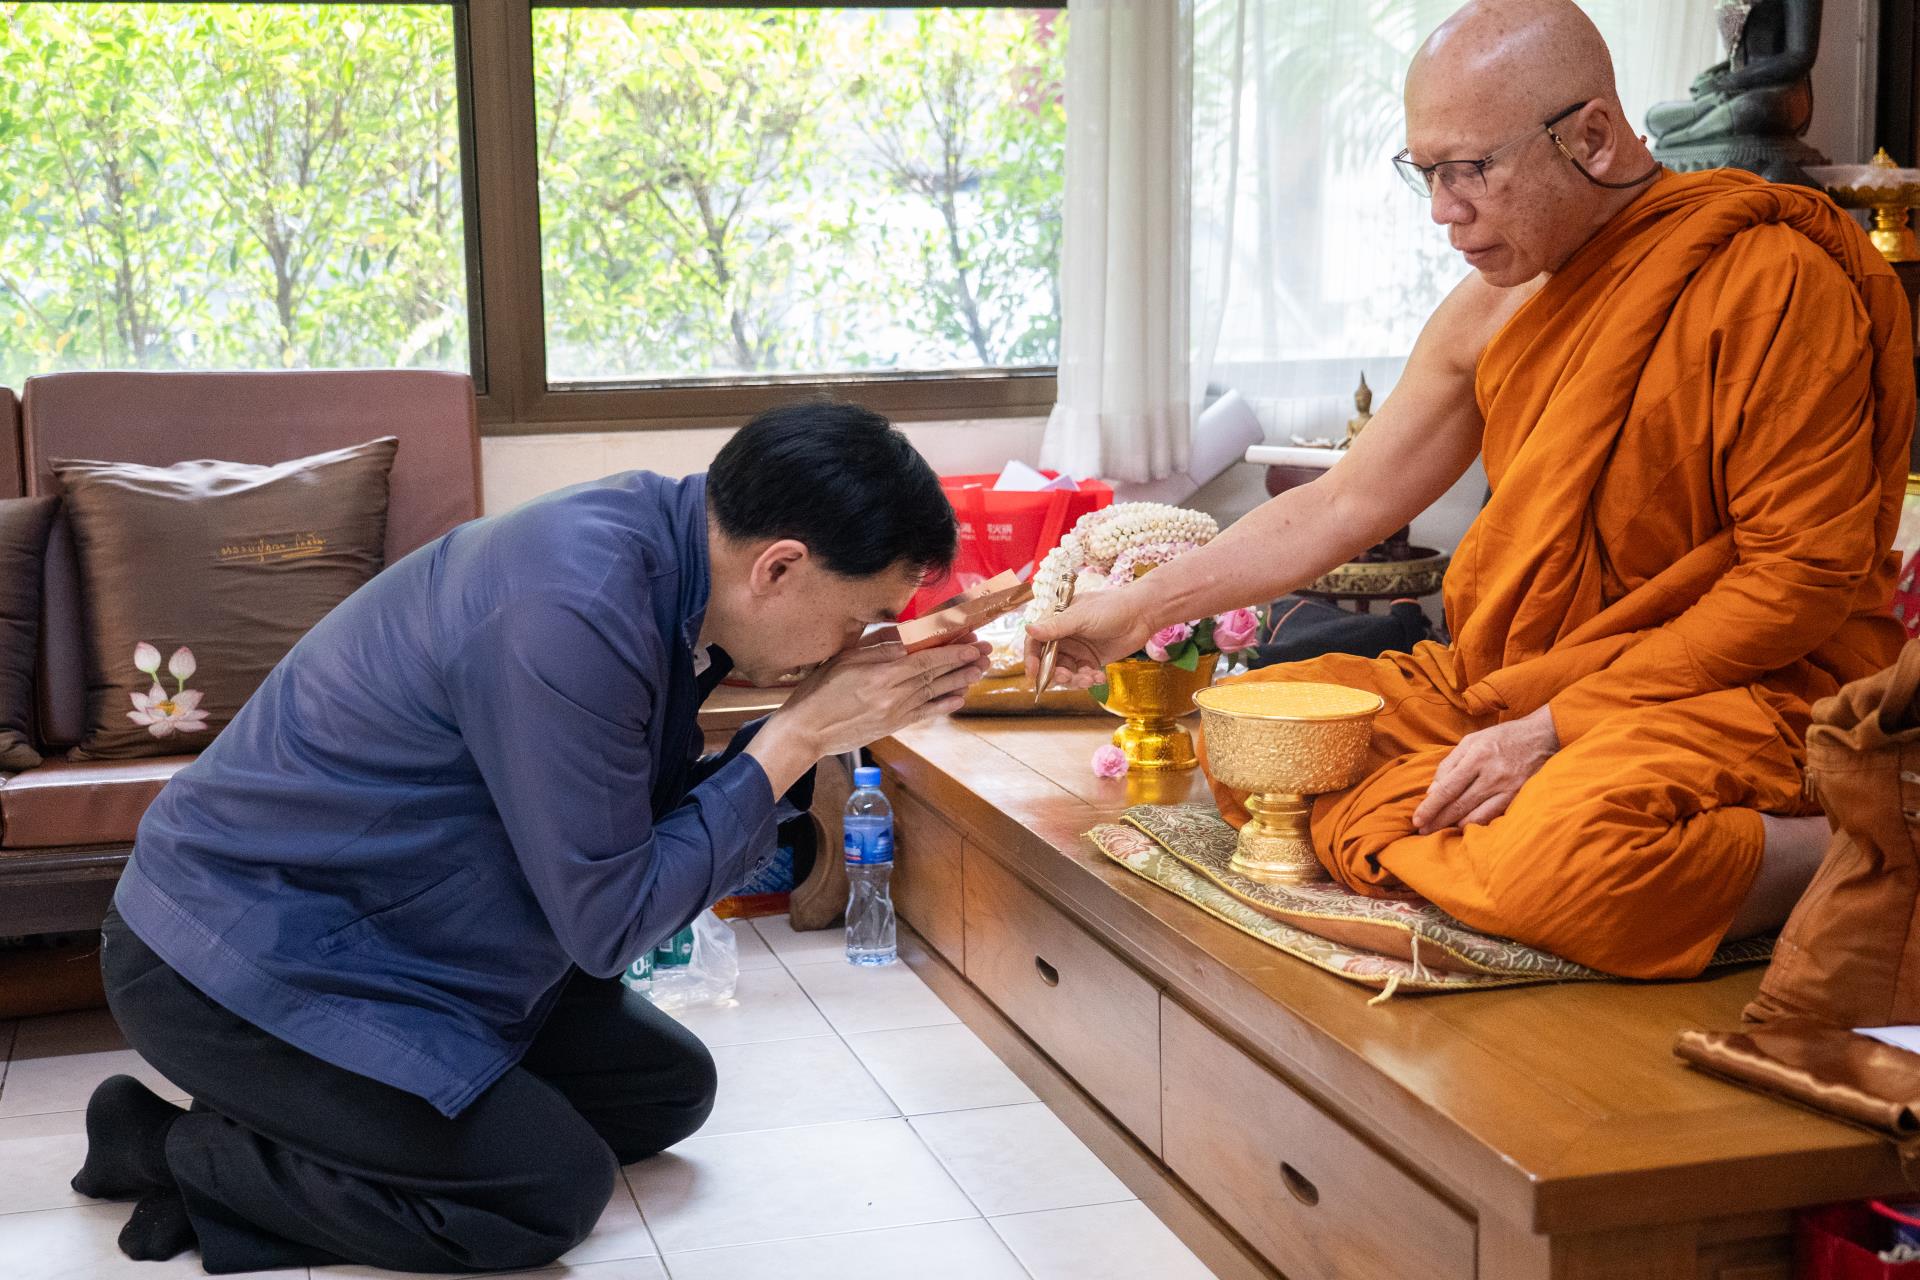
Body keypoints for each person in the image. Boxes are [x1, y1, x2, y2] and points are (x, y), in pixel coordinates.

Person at [1029, 0, 1913, 980]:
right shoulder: (1497, 300)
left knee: (1570, 863)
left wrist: (1553, 731)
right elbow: (1345, 501)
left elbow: (1796, 586)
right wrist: (1138, 609)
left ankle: (1861, 841)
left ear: (1592, 136)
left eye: (1470, 169)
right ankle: (1509, 842)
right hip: (1520, 679)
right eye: (1426, 172)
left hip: (1737, 684)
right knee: (1262, 733)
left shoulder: (1772, 279)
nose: (1444, 209)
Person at [70, 402, 990, 1272]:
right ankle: (165, 1147)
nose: (850, 645)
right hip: (244, 956)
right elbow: (610, 925)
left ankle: (335, 1133)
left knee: (663, 1091)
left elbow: (631, 831)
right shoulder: (571, 607)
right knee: (543, 1192)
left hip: (402, 933)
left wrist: (803, 732)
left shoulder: (667, 560)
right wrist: (795, 737)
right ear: (779, 567)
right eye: (856, 619)